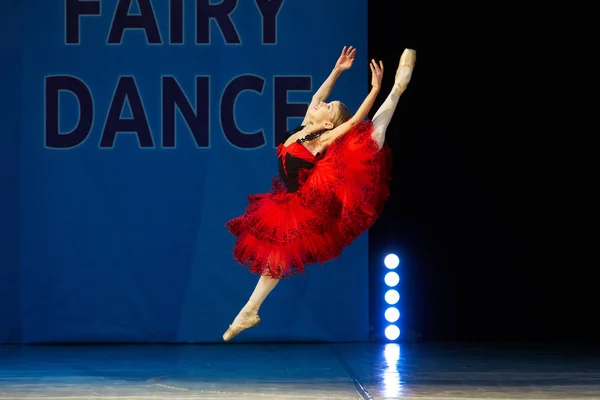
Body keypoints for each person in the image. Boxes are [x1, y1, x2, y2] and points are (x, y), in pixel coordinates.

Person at [223, 46, 416, 341]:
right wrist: (338, 70)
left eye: (328, 107)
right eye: (324, 103)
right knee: (277, 255)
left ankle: (396, 90)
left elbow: (352, 123)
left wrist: (375, 90)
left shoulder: (321, 138)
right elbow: (317, 96)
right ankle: (250, 310)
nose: (320, 103)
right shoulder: (303, 127)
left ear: (327, 123)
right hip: (290, 201)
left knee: (368, 140)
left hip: (315, 197)